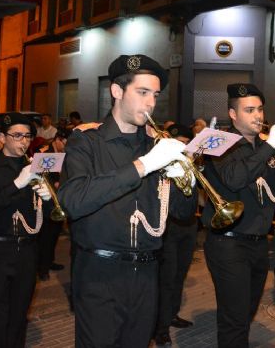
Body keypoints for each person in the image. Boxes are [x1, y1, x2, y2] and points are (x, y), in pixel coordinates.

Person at [58, 55, 191, 347]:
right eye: (142, 93)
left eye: (155, 95)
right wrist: (143, 166)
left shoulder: (156, 146)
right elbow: (73, 200)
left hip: (146, 274)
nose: (151, 104)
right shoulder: (86, 142)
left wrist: (187, 181)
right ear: (117, 91)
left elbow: (182, 213)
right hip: (99, 274)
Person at [202, 83, 275, 348]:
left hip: (259, 243)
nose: (258, 115)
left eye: (259, 109)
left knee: (246, 312)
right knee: (234, 318)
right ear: (233, 114)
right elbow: (235, 178)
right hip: (228, 243)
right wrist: (271, 146)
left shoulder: (264, 147)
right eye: (249, 110)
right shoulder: (218, 141)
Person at [0, 112, 53, 347]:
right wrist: (17, 184)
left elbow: (44, 216)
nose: (23, 141)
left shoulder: (36, 168)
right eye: (16, 135)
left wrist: (48, 200)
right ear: (2, 138)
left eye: (27, 136)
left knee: (18, 315)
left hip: (26, 249)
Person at [154, 124, 199, 346]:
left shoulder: (191, 164)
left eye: (185, 143)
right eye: (178, 142)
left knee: (180, 274)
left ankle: (172, 314)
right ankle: (160, 327)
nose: (182, 147)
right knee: (167, 278)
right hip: (168, 228)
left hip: (189, 226)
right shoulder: (161, 165)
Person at [36, 131, 69, 281]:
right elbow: (39, 177)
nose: (66, 147)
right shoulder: (45, 153)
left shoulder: (64, 154)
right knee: (45, 236)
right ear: (57, 139)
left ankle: (50, 261)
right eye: (64, 143)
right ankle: (42, 268)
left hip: (59, 200)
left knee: (54, 234)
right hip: (46, 201)